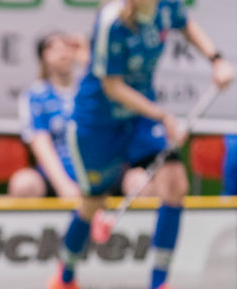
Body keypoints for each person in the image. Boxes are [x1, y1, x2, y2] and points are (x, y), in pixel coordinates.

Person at [47, 0, 234, 289]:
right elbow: (112, 86)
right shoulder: (112, 21)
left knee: (175, 183)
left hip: (140, 118)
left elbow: (187, 24)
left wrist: (216, 59)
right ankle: (65, 280)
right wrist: (163, 115)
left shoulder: (168, 3)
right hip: (98, 122)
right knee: (92, 203)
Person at [9, 32, 149, 200]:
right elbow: (40, 143)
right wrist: (64, 185)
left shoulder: (93, 88)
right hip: (59, 175)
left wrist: (88, 58)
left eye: (66, 46)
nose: (62, 52)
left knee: (141, 181)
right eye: (53, 48)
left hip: (103, 169)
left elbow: (112, 102)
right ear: (43, 57)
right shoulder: (35, 95)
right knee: (23, 184)